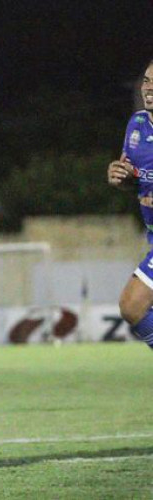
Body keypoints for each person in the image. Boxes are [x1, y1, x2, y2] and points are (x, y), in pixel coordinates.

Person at [108, 59, 153, 352]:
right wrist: (120, 176)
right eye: (147, 81)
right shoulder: (137, 125)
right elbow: (133, 176)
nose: (149, 89)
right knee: (132, 307)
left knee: (132, 304)